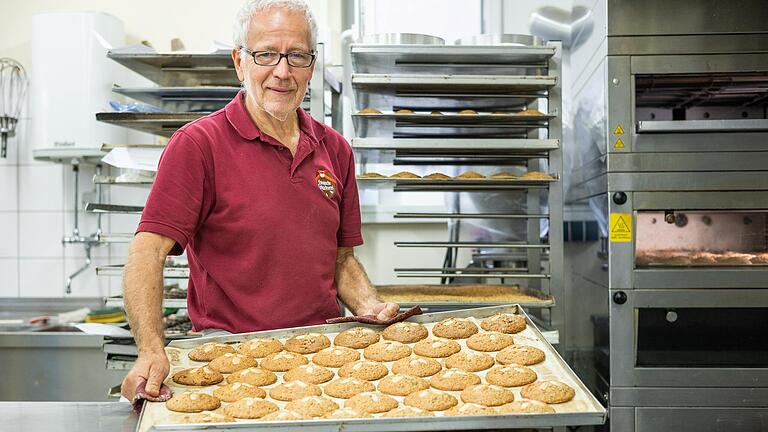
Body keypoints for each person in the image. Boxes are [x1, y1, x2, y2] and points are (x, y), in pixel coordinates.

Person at [120, 0, 398, 401]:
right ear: (239, 61)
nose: (282, 72)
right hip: (228, 359)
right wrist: (150, 348)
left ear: (312, 65)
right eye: (266, 54)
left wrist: (368, 305)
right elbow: (148, 250)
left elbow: (341, 260)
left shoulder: (335, 149)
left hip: (322, 354)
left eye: (297, 56)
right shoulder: (198, 146)